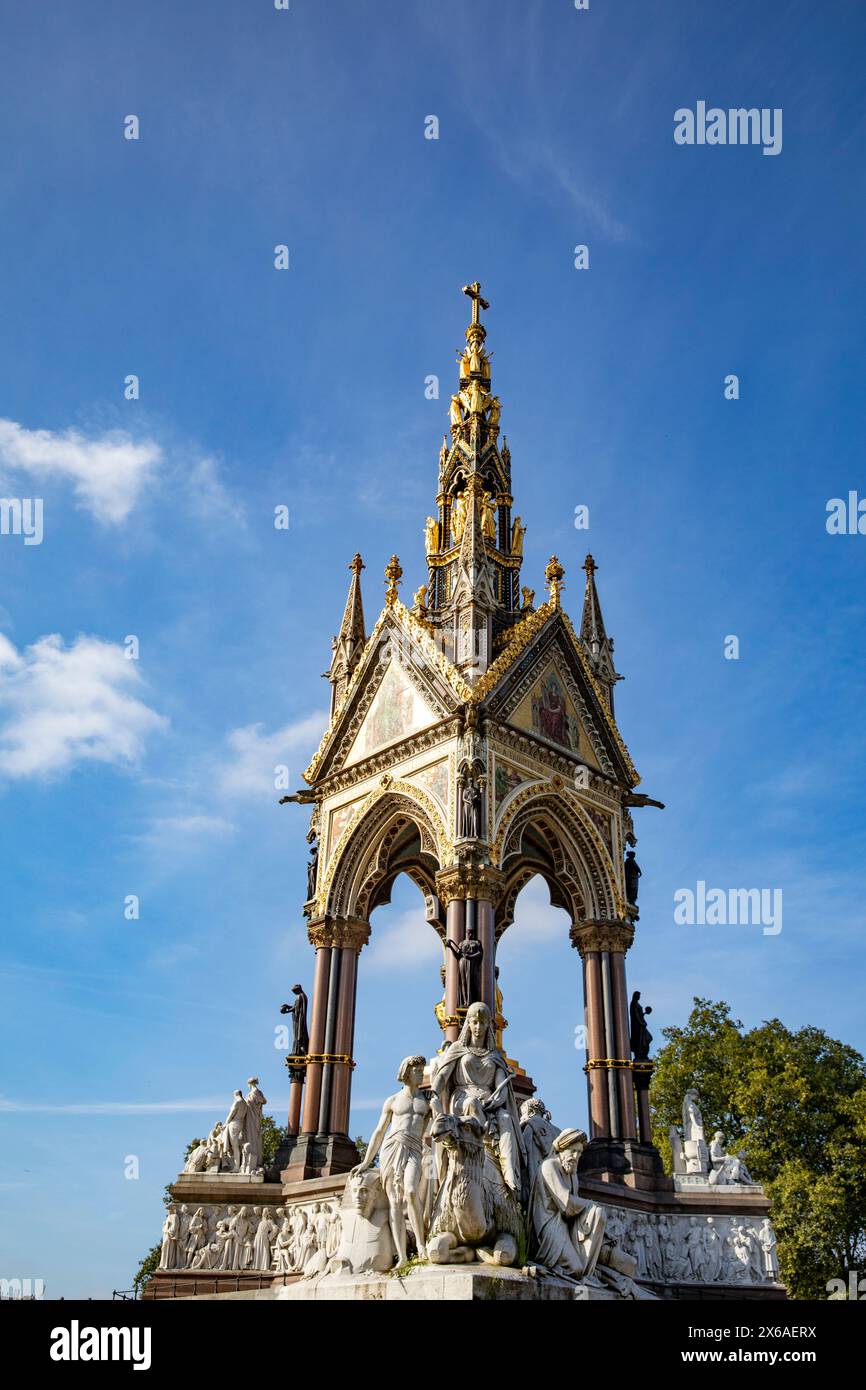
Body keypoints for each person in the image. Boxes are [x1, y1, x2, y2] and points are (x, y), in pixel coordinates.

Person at [431, 1001, 525, 1194]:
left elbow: (502, 1088)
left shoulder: (494, 1055)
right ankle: (483, 1153)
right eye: (474, 1022)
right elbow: (442, 1075)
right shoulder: (458, 1049)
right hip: (462, 1100)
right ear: (468, 1024)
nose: (478, 1027)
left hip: (489, 1103)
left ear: (489, 1026)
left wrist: (496, 1101)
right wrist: (433, 1092)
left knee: (506, 1118)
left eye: (483, 1023)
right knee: (472, 1104)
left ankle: (509, 1173)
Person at [352, 1055, 430, 1265]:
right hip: (392, 1148)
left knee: (412, 1191)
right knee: (395, 1200)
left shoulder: (427, 1101)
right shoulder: (393, 1100)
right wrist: (367, 1162)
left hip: (414, 1148)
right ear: (407, 1072)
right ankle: (403, 1256)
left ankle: (421, 1246)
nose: (421, 1074)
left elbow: (437, 1124)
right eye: (417, 1071)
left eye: (422, 1070)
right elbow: (379, 1131)